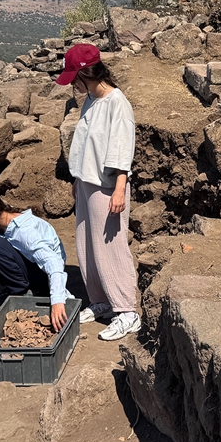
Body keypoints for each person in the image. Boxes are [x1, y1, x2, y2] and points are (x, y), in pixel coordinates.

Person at [57, 43, 139, 342]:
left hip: (108, 187)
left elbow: (121, 149)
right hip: (87, 183)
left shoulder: (118, 103)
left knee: (111, 247)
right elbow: (85, 144)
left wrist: (119, 190)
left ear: (85, 73)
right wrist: (78, 178)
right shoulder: (91, 99)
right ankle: (102, 301)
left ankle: (127, 311)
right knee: (87, 246)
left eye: (73, 78)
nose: (72, 85)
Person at [0, 188, 73, 330]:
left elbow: (54, 262)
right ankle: (19, 288)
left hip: (45, 276)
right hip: (32, 265)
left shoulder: (24, 231)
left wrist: (57, 300)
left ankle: (25, 293)